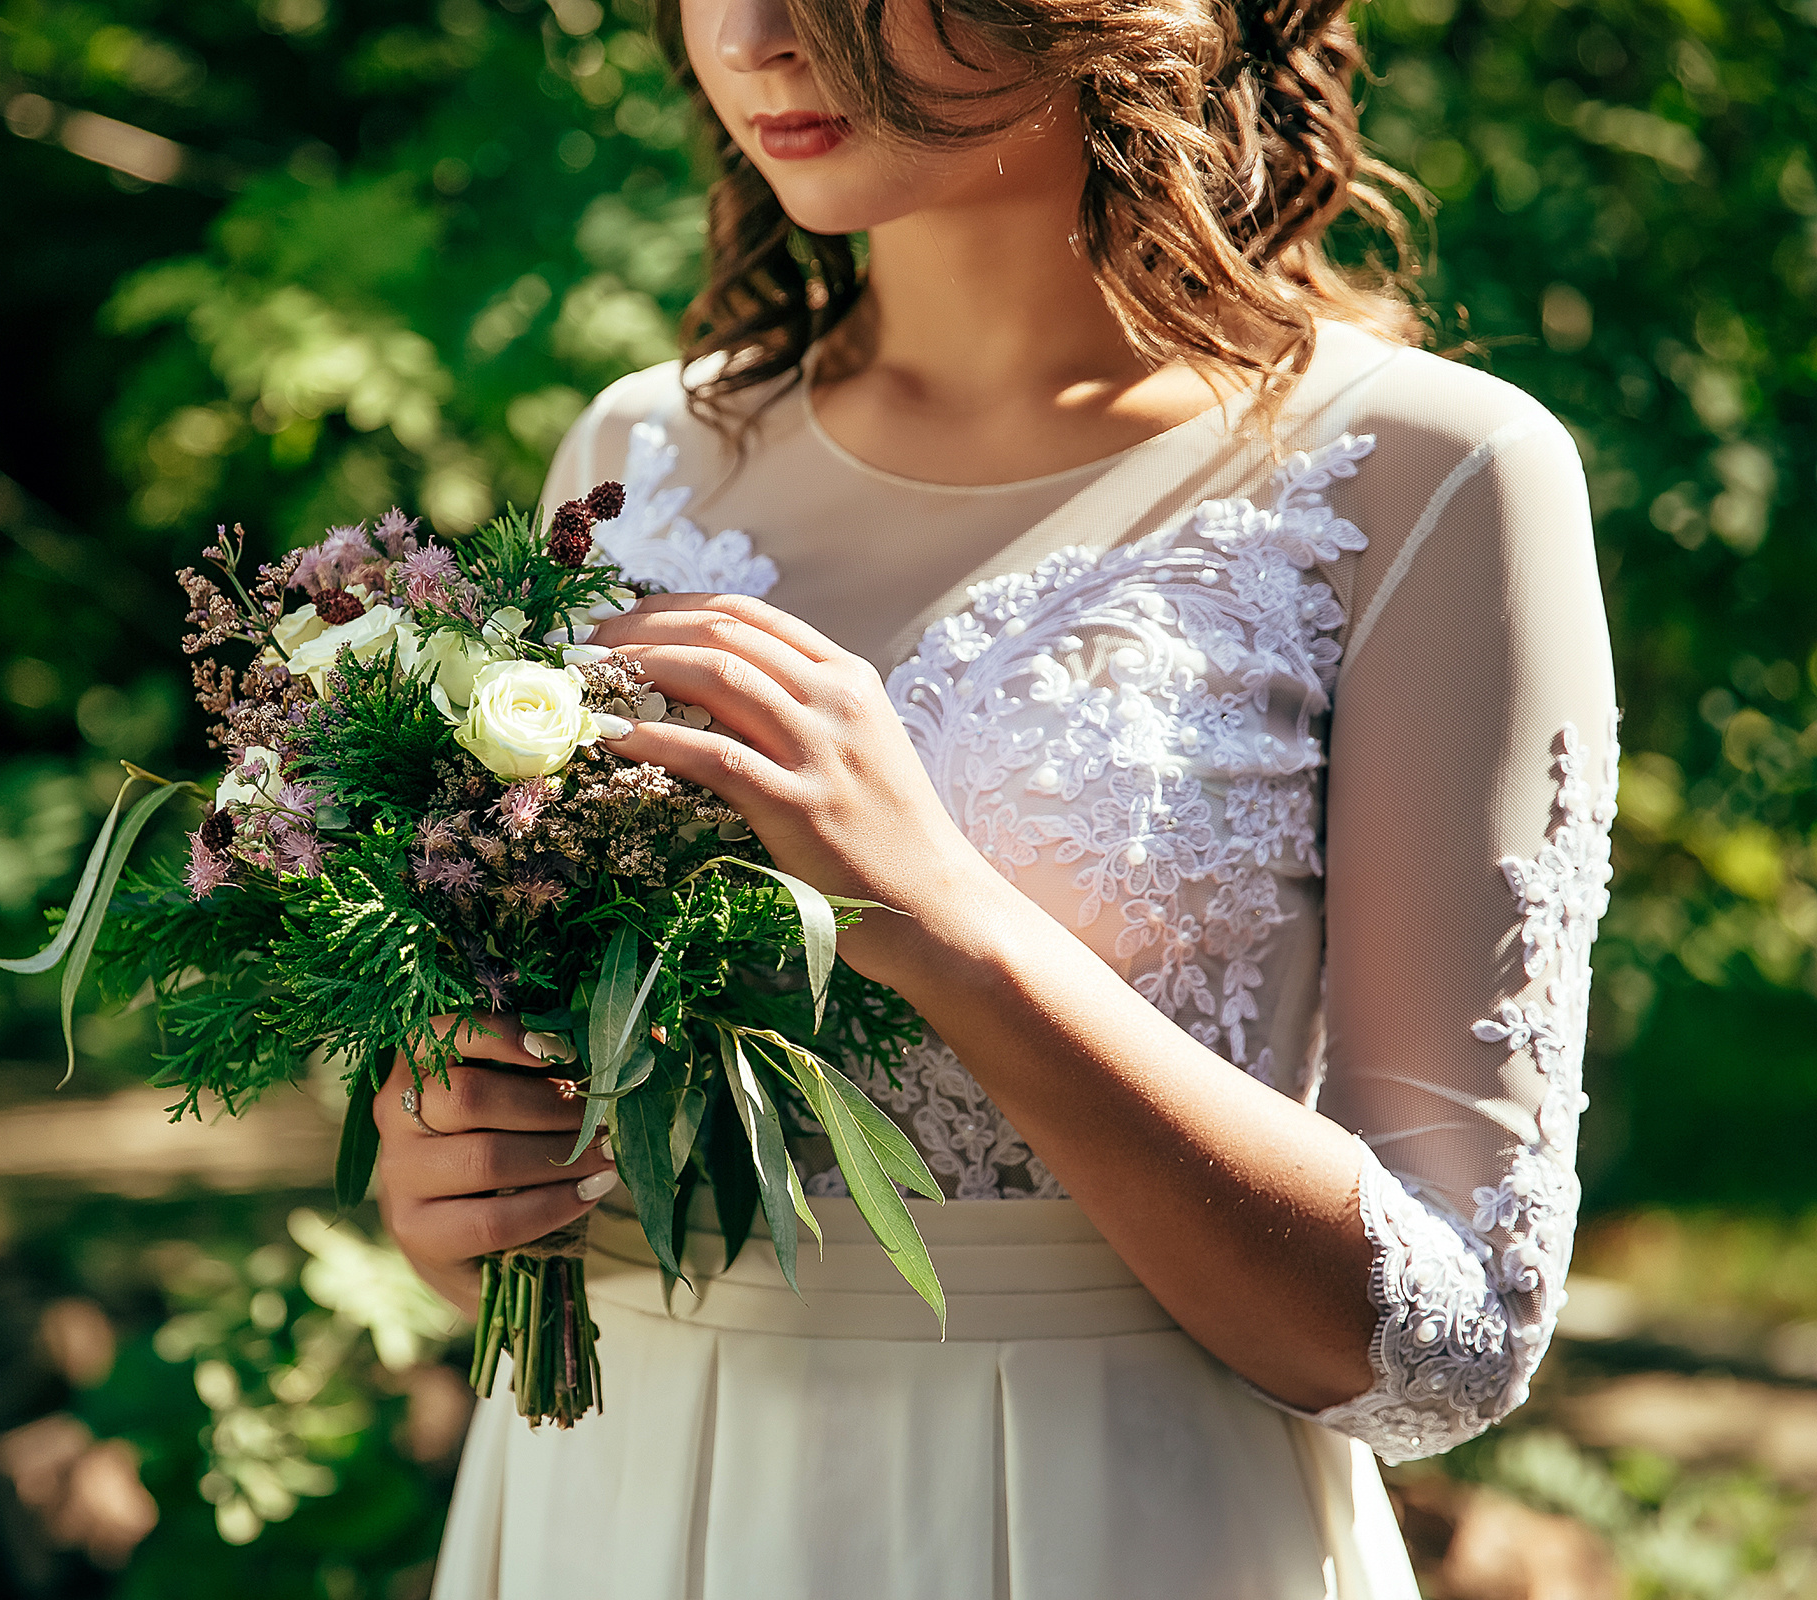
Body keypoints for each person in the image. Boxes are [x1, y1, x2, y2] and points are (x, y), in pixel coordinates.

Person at [374, 0, 1616, 1592]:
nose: (754, 35)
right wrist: (465, 1188)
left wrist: (941, 916)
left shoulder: (1425, 471)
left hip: (1109, 1523)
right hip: (614, 1504)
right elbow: (562, 1109)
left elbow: (1454, 1344)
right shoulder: (638, 455)